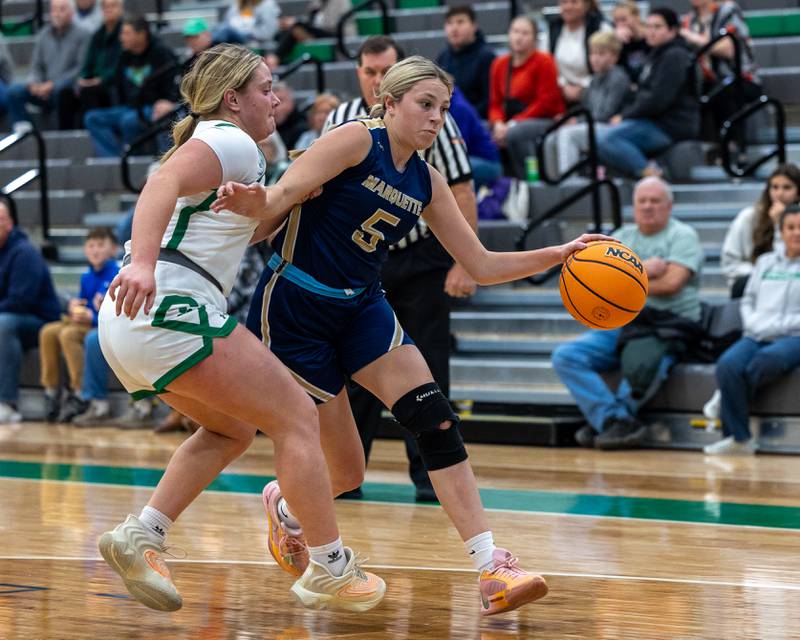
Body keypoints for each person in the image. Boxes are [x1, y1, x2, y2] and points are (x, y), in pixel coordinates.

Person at [215, 55, 613, 615]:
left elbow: (480, 263)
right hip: (297, 307)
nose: (435, 119)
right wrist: (254, 204)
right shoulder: (354, 140)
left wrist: (562, 253)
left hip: (362, 306)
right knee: (348, 471)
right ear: (390, 102)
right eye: (425, 105)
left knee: (435, 415)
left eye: (444, 110)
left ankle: (491, 565)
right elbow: (277, 203)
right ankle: (286, 509)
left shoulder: (427, 180)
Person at [96, 44, 385, 613]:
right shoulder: (228, 139)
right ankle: (330, 565)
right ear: (234, 98)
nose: (275, 98)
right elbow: (160, 183)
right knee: (298, 416)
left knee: (231, 431)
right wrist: (144, 262)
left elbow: (237, 233)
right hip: (166, 301)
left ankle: (143, 535)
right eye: (264, 88)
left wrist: (291, 197)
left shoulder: (238, 155)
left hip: (130, 323)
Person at [323, 36, 478, 502]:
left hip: (422, 255)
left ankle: (431, 477)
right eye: (369, 71)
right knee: (359, 371)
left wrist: (462, 262)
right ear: (363, 77)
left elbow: (463, 190)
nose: (375, 78)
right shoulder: (342, 122)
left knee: (426, 367)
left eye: (384, 70)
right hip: (363, 260)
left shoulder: (432, 126)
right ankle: (346, 476)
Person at [552, 177, 703, 449]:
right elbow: (600, 286)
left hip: (667, 324)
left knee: (640, 366)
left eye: (655, 201)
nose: (647, 207)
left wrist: (627, 282)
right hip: (624, 322)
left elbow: (672, 283)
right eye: (641, 201)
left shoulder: (683, 235)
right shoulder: (620, 238)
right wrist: (645, 269)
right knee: (566, 356)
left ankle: (609, 421)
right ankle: (614, 421)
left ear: (669, 206)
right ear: (633, 207)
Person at [705, 206, 800, 456]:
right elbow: (747, 300)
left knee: (765, 361)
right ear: (781, 231)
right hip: (756, 332)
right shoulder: (765, 262)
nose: (796, 233)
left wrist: (775, 326)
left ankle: (724, 400)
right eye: (791, 227)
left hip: (793, 337)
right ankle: (740, 441)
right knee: (727, 364)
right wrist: (754, 322)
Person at [596, 7, 699, 178]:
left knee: (608, 140)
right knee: (602, 137)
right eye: (649, 27)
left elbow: (657, 99)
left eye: (657, 27)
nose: (651, 32)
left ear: (673, 30)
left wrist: (625, 116)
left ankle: (650, 174)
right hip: (653, 120)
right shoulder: (657, 54)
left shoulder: (675, 56)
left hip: (669, 125)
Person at [39, 227, 119, 423]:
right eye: (91, 245)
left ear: (114, 249)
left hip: (104, 326)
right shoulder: (87, 276)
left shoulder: (117, 273)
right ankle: (52, 391)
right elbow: (85, 303)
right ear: (85, 250)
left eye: (101, 245)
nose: (95, 250)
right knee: (48, 332)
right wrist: (76, 307)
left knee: (68, 334)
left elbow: (115, 313)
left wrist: (91, 316)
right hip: (89, 323)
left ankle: (79, 392)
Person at [0, 201, 61, 424]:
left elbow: (20, 301)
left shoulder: (24, 253)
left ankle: (7, 403)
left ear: (10, 224)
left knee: (3, 325)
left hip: (40, 321)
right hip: (10, 316)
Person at [83, 15, 178, 157]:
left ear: (141, 34)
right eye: (122, 33)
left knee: (128, 121)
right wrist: (91, 83)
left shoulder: (161, 53)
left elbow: (175, 82)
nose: (121, 38)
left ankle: (131, 160)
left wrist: (170, 102)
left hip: (154, 107)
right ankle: (116, 160)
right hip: (129, 108)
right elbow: (112, 81)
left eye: (127, 33)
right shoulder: (124, 56)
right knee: (92, 118)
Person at [488, 15, 564, 181]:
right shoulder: (499, 64)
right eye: (515, 31)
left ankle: (528, 181)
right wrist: (498, 123)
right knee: (480, 130)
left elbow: (546, 102)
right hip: (509, 120)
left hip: (544, 119)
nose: (519, 37)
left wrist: (514, 123)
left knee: (516, 133)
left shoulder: (544, 61)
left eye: (525, 33)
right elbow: (495, 103)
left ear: (535, 38)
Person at [551, 31, 631, 176]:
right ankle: (554, 181)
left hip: (612, 128)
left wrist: (576, 121)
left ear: (614, 56)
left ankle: (570, 182)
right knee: (552, 137)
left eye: (601, 54)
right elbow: (586, 108)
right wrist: (570, 119)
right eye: (592, 54)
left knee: (568, 135)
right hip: (593, 125)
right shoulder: (594, 80)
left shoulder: (619, 78)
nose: (595, 59)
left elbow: (605, 114)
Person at [8, 0, 91, 128]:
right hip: (43, 88)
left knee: (63, 91)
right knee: (14, 91)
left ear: (71, 13)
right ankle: (27, 132)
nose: (57, 14)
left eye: (61, 9)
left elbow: (81, 69)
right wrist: (34, 83)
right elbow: (36, 66)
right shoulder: (43, 35)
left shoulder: (83, 35)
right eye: (54, 10)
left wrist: (52, 85)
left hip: (67, 90)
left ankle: (61, 135)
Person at [721, 163, 799, 297]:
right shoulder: (749, 217)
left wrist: (779, 225)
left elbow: (787, 261)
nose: (779, 194)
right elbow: (730, 263)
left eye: (787, 188)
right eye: (774, 187)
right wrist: (762, 273)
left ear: (798, 193)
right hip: (754, 282)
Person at [680, 0, 761, 130]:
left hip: (740, 77)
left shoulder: (727, 10)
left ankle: (732, 145)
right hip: (704, 80)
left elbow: (727, 50)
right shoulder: (689, 20)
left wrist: (690, 36)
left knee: (721, 90)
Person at [57, 0, 123, 130]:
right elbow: (87, 64)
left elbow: (120, 65)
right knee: (65, 92)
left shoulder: (125, 33)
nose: (109, 10)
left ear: (121, 9)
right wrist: (83, 78)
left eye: (113, 6)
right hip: (93, 82)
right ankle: (66, 135)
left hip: (112, 84)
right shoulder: (98, 35)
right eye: (106, 7)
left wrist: (99, 80)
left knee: (88, 92)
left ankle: (87, 132)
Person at [542, 0, 611, 105]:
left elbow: (610, 67)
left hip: (596, 94)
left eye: (574, 2)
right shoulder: (553, 29)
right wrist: (563, 85)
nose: (568, 7)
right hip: (560, 93)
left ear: (586, 5)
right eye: (564, 2)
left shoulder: (600, 28)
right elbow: (545, 64)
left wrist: (583, 86)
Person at [436, 4, 495, 118]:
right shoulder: (443, 56)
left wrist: (461, 115)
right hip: (446, 119)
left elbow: (489, 102)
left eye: (460, 22)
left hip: (478, 121)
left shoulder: (487, 57)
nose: (454, 28)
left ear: (474, 26)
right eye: (450, 23)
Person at [448, 86, 502, 190]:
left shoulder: (459, 108)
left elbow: (458, 149)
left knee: (453, 168)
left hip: (488, 163)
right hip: (471, 158)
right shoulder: (450, 105)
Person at [271, 0, 354, 65]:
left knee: (296, 28)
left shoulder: (340, 2)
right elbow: (311, 22)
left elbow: (332, 29)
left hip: (339, 37)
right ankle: (275, 57)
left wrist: (296, 22)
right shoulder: (317, 2)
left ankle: (275, 57)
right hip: (320, 35)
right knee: (285, 33)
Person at [613, 0, 650, 81]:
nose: (620, 24)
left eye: (623, 19)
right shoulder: (619, 41)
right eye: (616, 20)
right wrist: (615, 42)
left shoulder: (650, 38)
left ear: (637, 17)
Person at [273, 82, 309, 149]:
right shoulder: (265, 126)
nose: (276, 107)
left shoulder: (303, 127)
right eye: (272, 101)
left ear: (291, 101)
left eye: (281, 100)